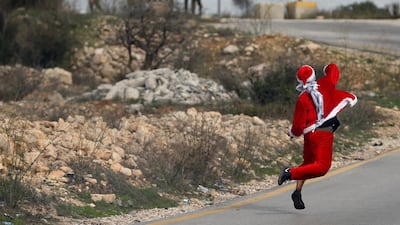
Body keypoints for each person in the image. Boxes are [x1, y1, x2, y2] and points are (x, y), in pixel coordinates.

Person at [278, 64, 357, 210]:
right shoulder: (326, 83)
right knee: (322, 167)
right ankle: (290, 173)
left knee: (308, 163)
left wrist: (292, 134)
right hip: (323, 133)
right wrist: (327, 68)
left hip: (310, 135)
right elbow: (334, 69)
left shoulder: (302, 99)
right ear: (314, 75)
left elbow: (298, 127)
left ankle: (297, 192)